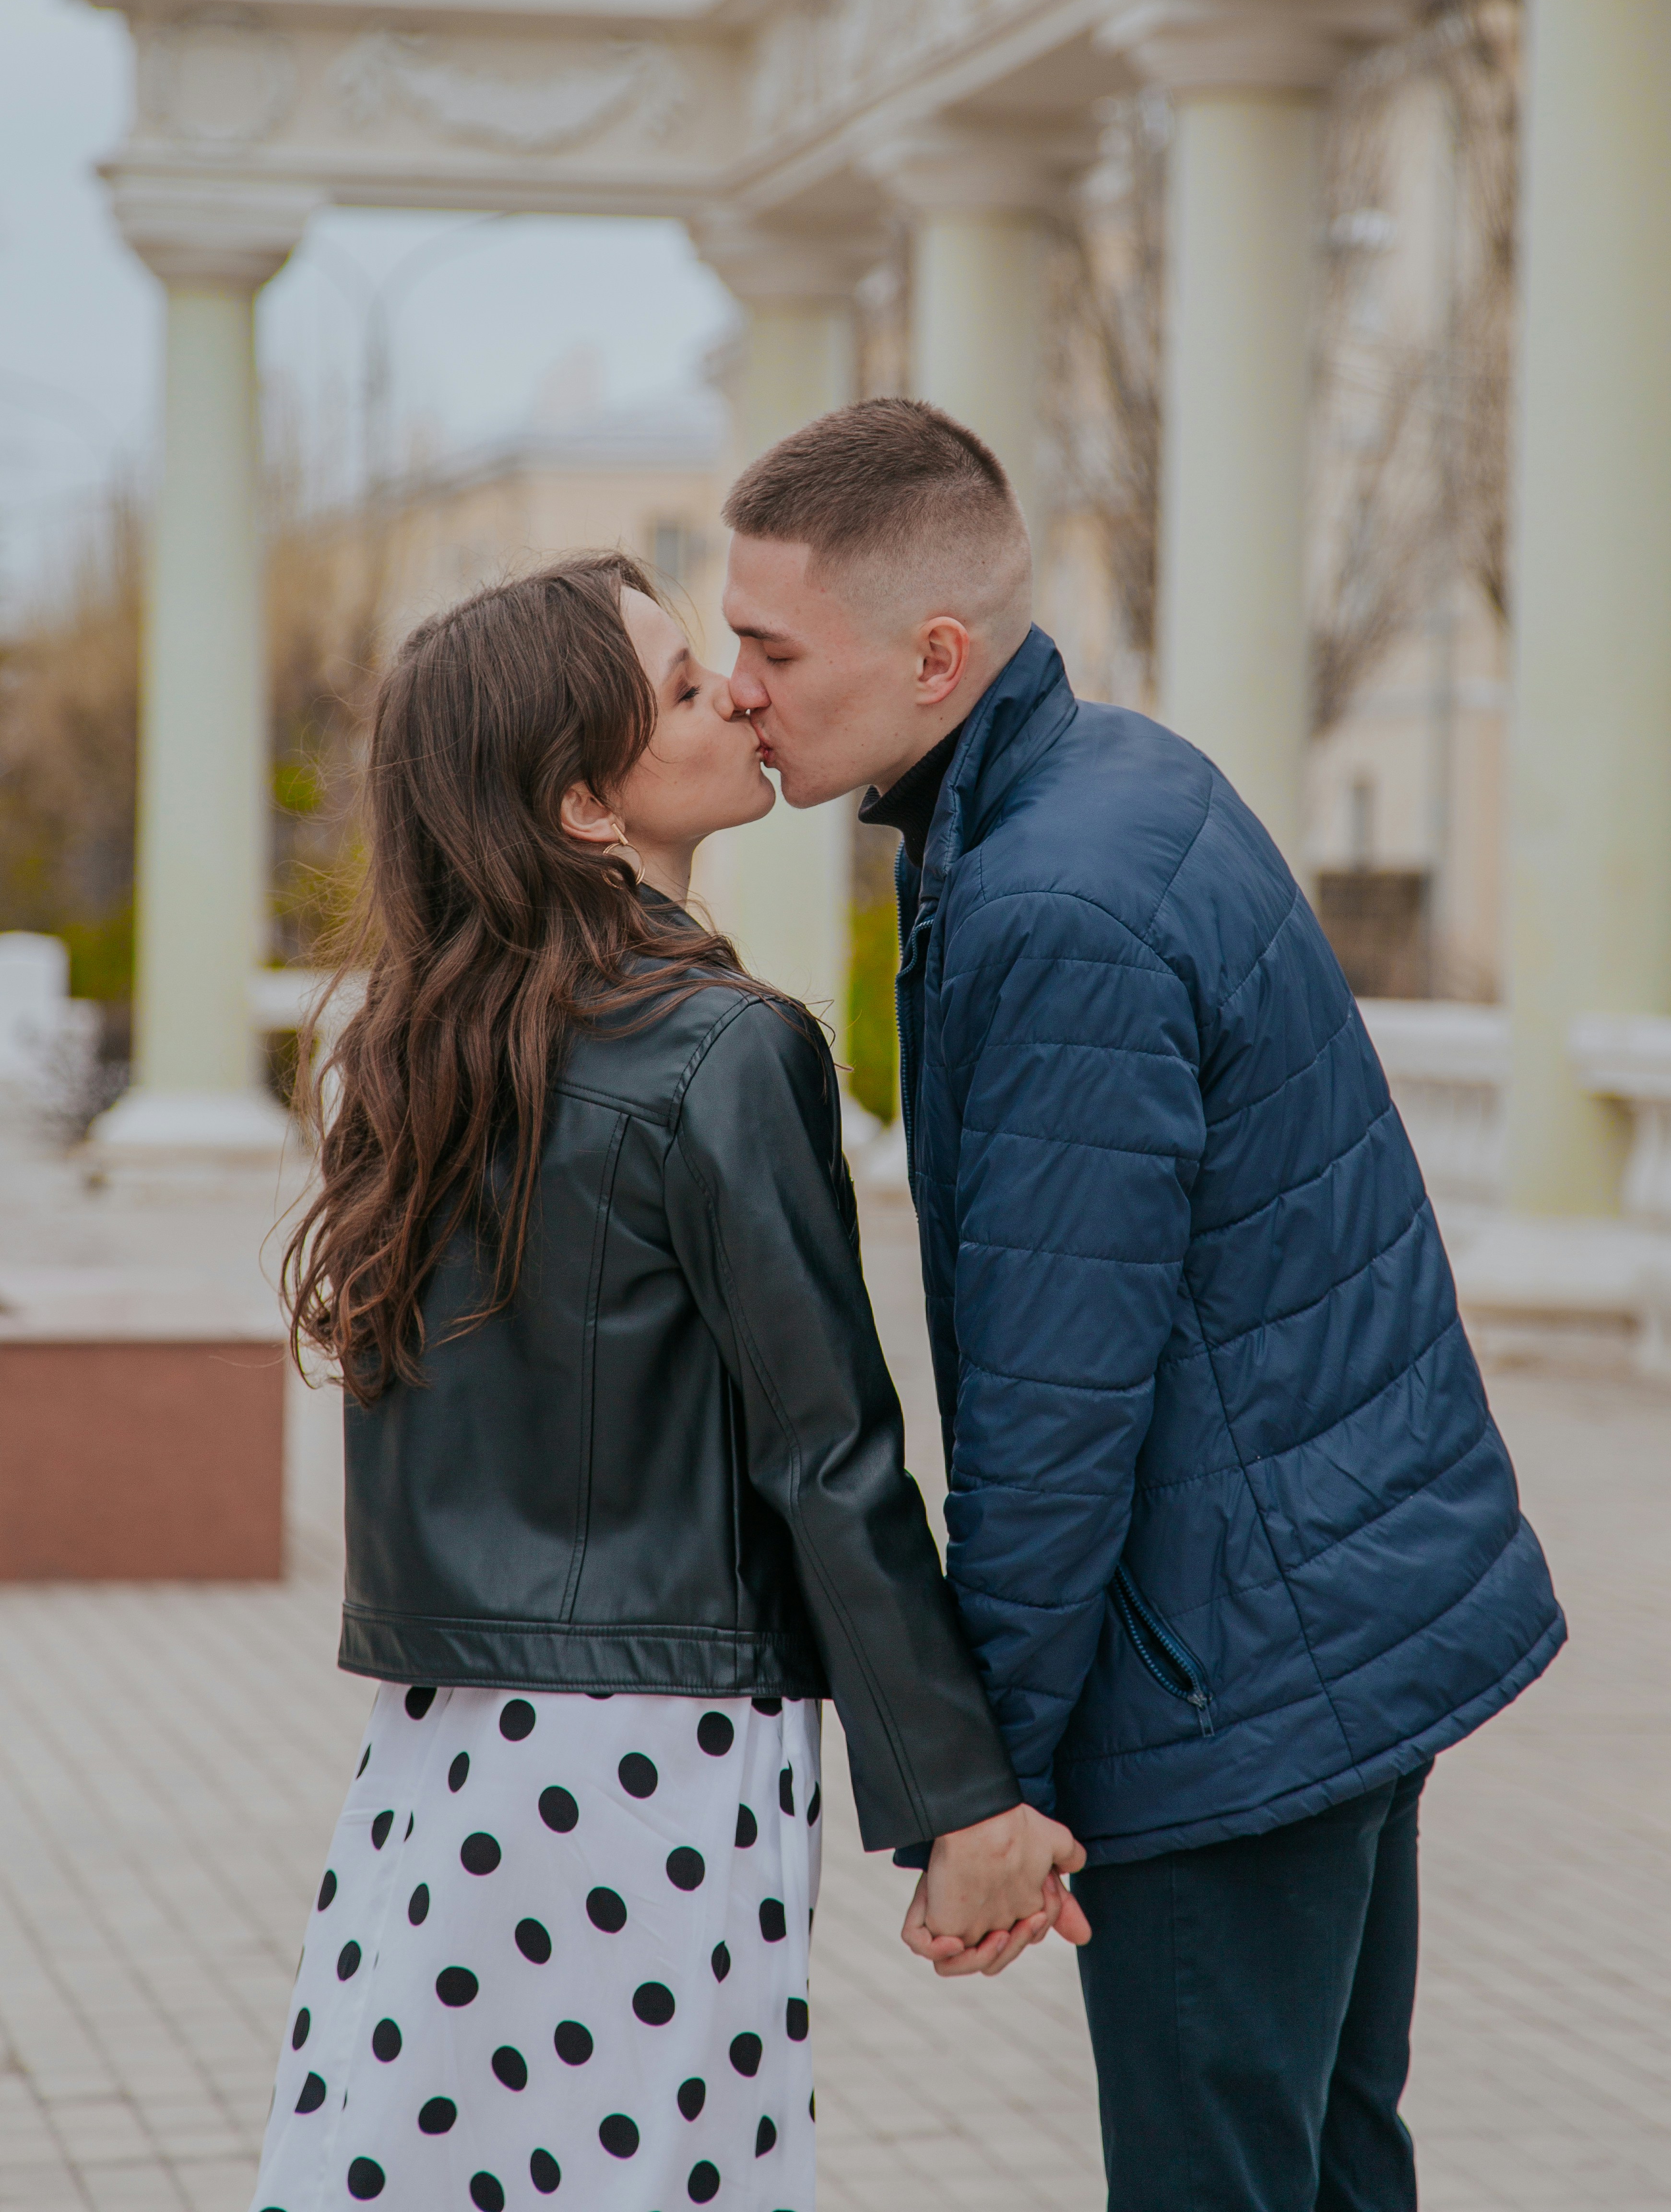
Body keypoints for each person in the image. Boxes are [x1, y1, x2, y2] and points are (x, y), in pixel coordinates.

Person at [721, 400, 1567, 2212]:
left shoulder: (1050, 904)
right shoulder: (1113, 786)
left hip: (1225, 1685)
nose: (739, 693)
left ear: (935, 657)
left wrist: (988, 1796)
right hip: (1328, 1631)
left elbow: (1055, 1401)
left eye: (772, 651)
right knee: (1333, 2165)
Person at [251, 553, 1084, 2212]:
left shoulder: (420, 1051)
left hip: (450, 1752)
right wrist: (963, 1802)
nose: (739, 695)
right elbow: (827, 1453)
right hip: (660, 1754)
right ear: (584, 802)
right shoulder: (724, 1049)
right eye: (688, 687)